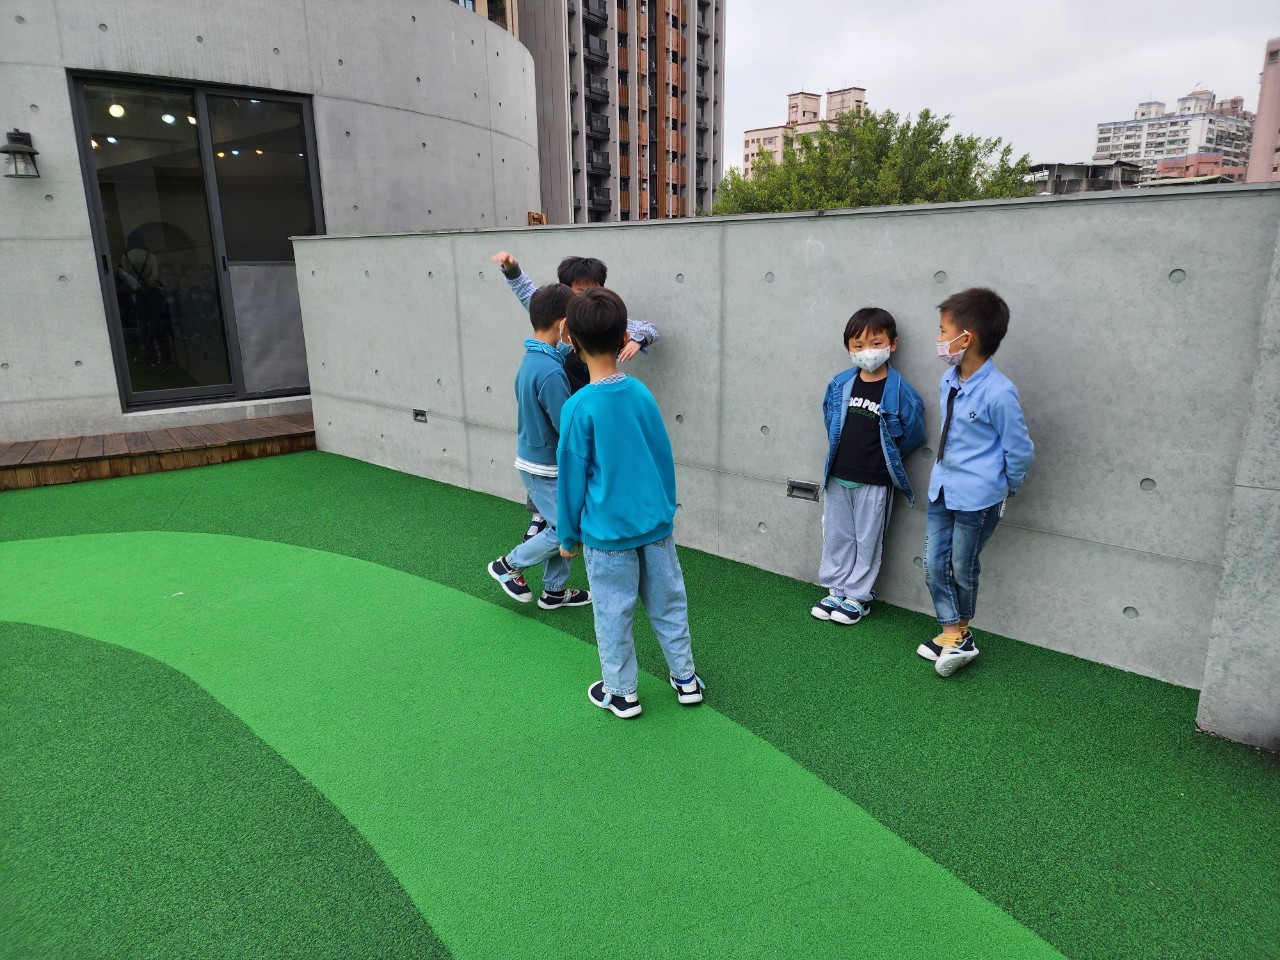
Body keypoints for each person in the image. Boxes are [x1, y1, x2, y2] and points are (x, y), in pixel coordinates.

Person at [555, 287, 702, 719]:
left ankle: (622, 693)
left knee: (613, 614)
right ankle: (686, 679)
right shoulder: (641, 393)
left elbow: (571, 479)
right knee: (669, 604)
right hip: (656, 527)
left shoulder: (578, 407)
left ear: (571, 340)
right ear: (624, 337)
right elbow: (662, 456)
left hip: (607, 536)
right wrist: (665, 509)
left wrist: (567, 535)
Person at [491, 251, 662, 543]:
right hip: (556, 399)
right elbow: (527, 293)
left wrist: (638, 340)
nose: (586, 296)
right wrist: (511, 269)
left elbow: (648, 328)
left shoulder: (602, 317)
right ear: (565, 292)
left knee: (580, 460)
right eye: (579, 290)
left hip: (589, 401)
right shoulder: (556, 315)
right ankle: (540, 516)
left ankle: (576, 516)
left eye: (593, 289)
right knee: (551, 456)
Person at [920, 288, 1034, 677]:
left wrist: (1006, 486)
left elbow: (1019, 450)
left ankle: (958, 633)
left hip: (979, 497)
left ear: (965, 339)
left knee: (961, 565)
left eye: (943, 331)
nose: (939, 338)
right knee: (933, 563)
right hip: (942, 488)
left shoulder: (999, 392)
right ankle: (953, 633)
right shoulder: (948, 380)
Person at [813, 307, 926, 626]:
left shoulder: (902, 392)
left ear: (892, 344)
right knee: (837, 536)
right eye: (859, 345)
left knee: (868, 540)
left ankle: (858, 597)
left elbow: (913, 433)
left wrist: (884, 457)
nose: (868, 352)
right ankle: (836, 590)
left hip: (875, 479)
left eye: (876, 343)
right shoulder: (840, 384)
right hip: (839, 475)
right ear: (849, 348)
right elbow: (830, 420)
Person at [487, 284, 593, 610]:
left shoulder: (533, 360)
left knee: (557, 523)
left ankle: (555, 591)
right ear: (564, 324)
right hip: (544, 467)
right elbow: (566, 426)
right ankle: (509, 565)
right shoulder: (550, 372)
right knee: (569, 530)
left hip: (539, 462)